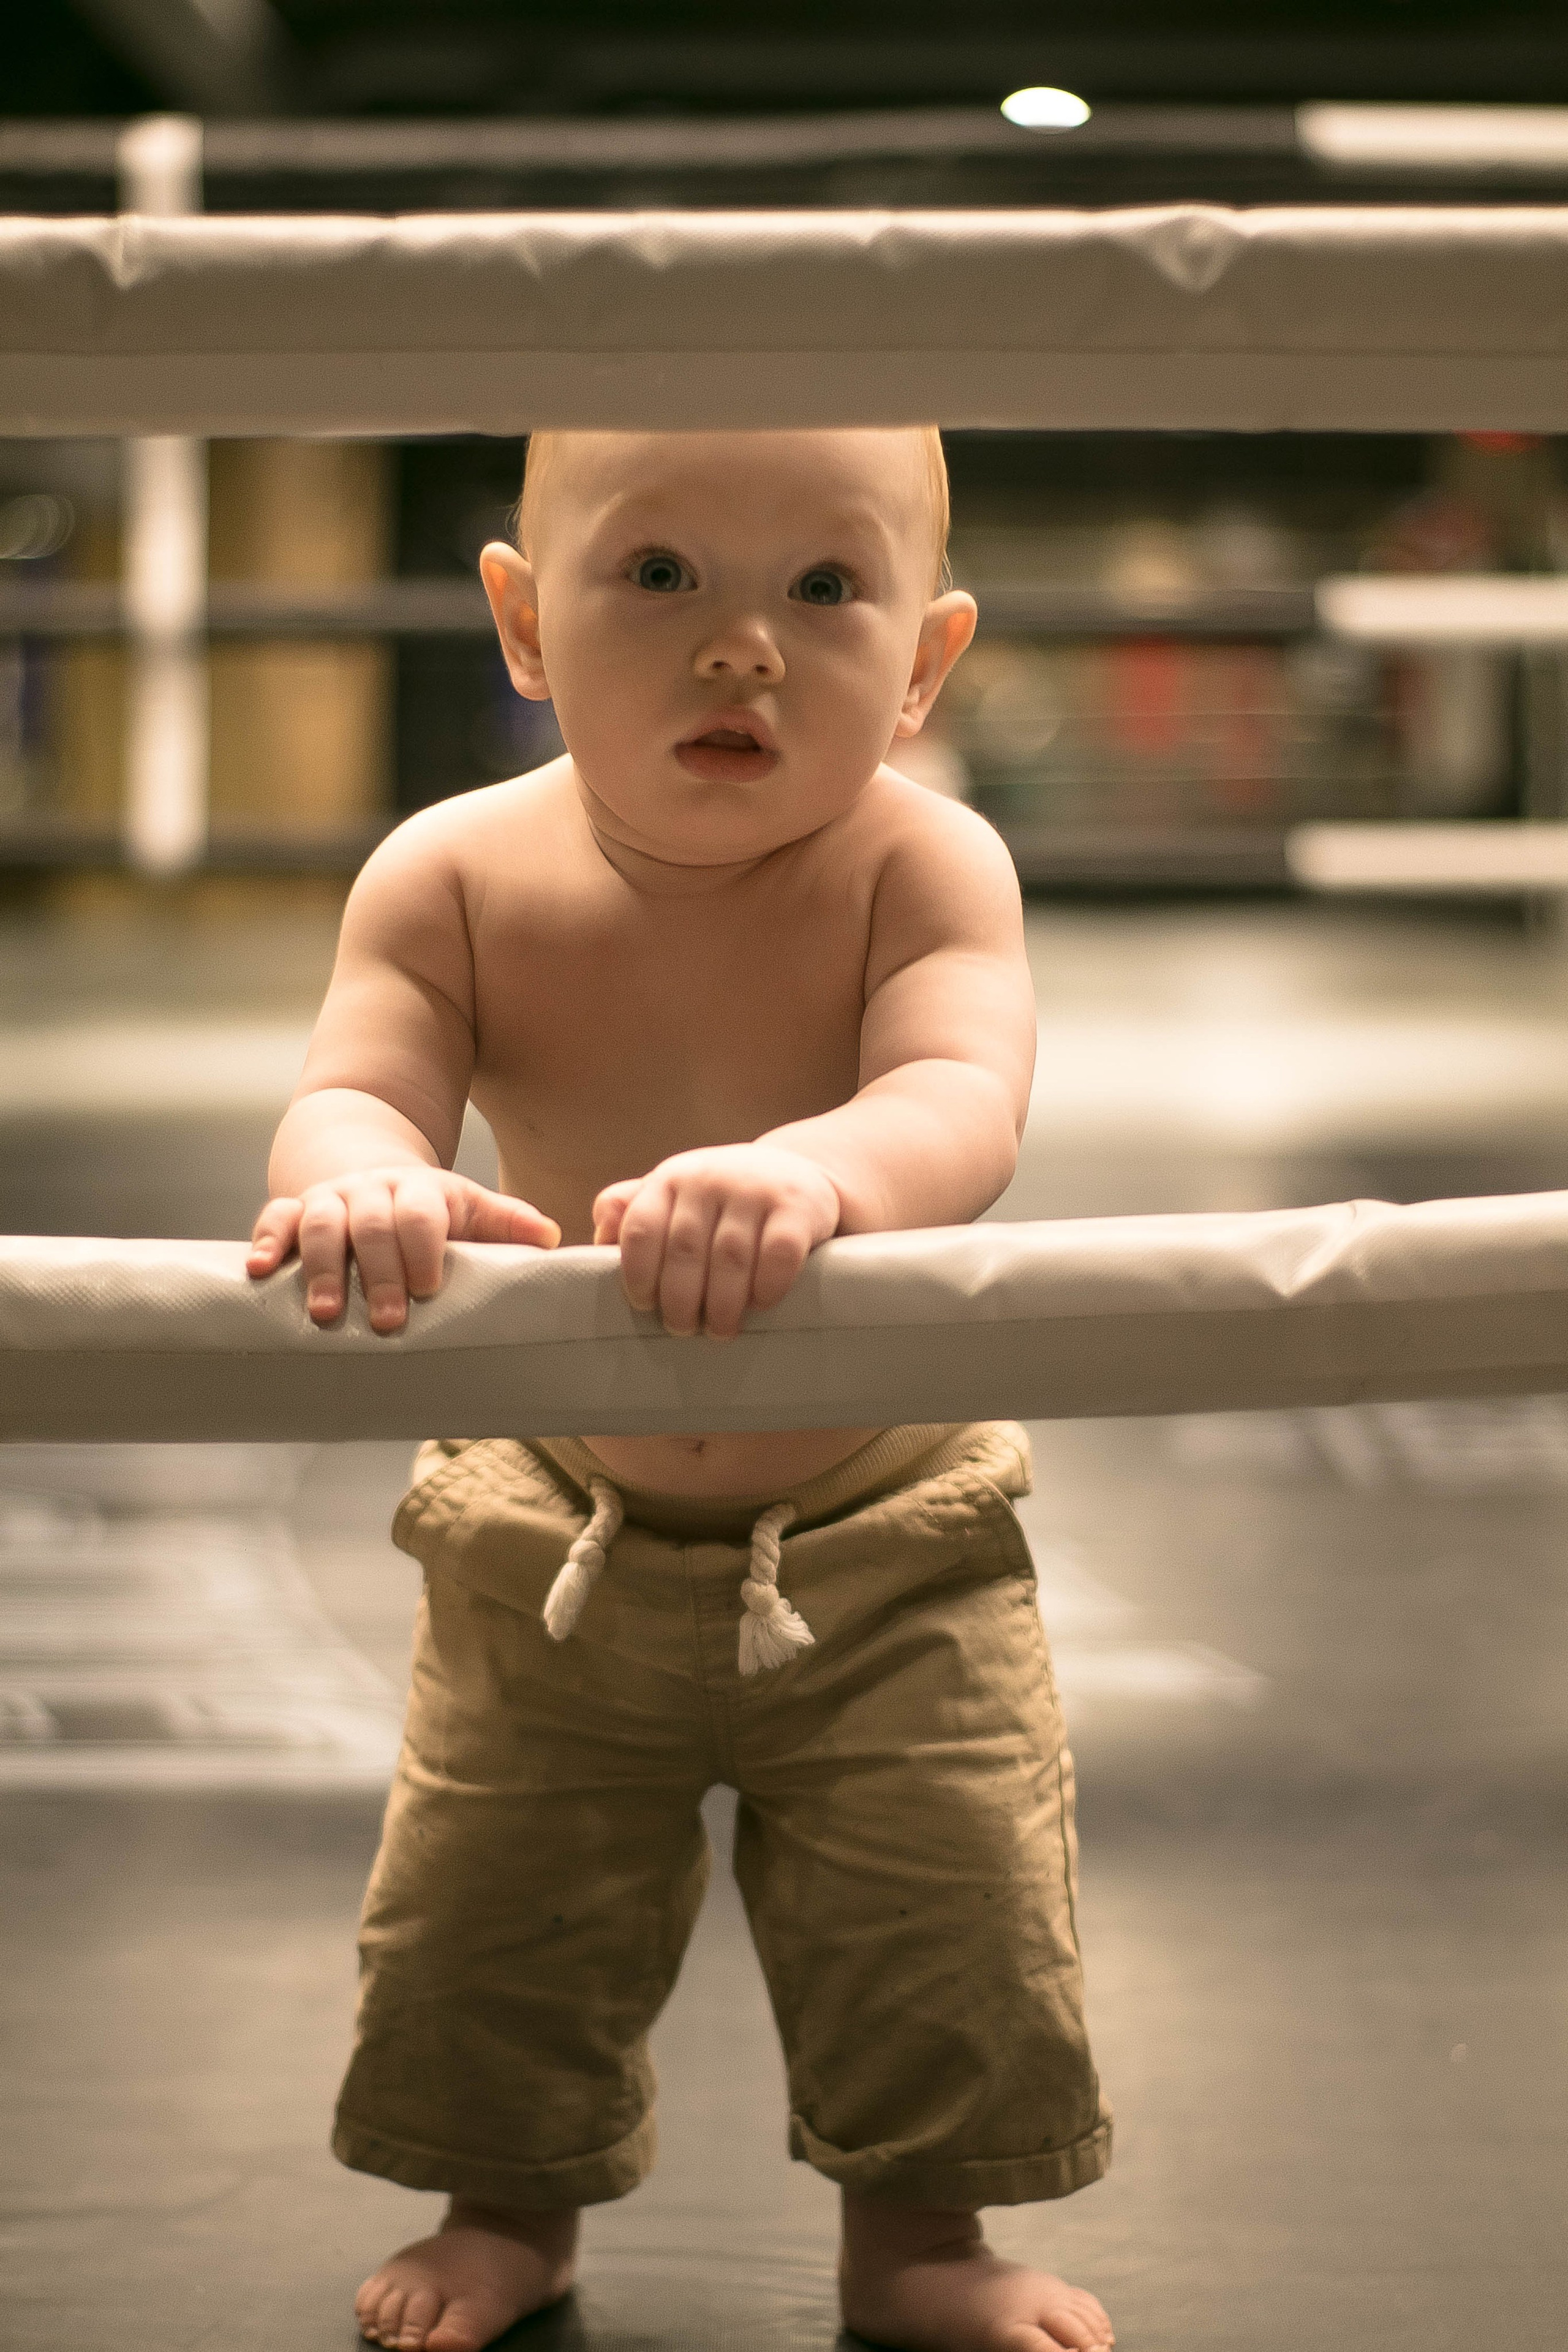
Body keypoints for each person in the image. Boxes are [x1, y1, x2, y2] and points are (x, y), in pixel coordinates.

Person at [247, 426, 1114, 2352]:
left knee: (946, 1912)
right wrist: (364, 1180)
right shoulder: (453, 873)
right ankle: (508, 2211)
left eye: (826, 588)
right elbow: (355, 1084)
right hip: (555, 1525)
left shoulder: (927, 864)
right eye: (660, 577)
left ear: (926, 662)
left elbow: (960, 1092)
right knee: (492, 1907)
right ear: (522, 621)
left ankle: (922, 2237)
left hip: (890, 1531)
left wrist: (822, 1172)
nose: (742, 647)